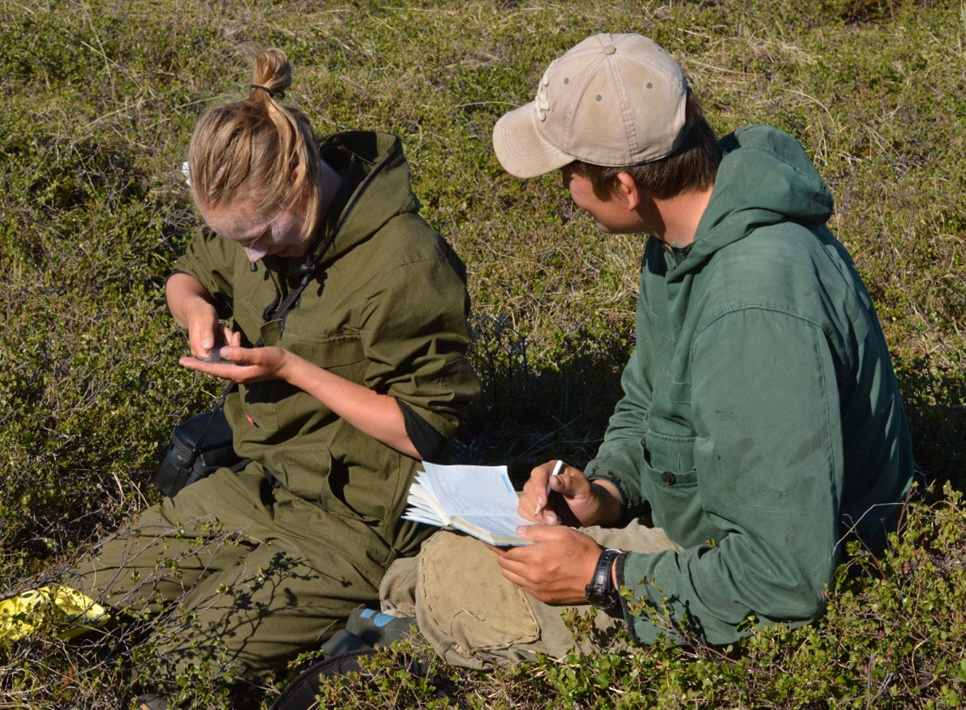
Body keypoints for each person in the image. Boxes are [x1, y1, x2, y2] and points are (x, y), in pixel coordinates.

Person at [379, 32, 914, 668]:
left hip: (771, 581)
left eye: (569, 173)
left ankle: (390, 653)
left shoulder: (755, 315)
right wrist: (603, 490)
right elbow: (650, 401)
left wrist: (604, 576)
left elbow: (787, 578)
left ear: (627, 187)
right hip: (721, 536)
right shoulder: (686, 231)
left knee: (449, 583)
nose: (566, 190)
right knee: (447, 562)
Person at [1, 47, 479, 686]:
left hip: (357, 523)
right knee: (59, 608)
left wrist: (290, 367)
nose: (250, 254)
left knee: (178, 665)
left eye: (260, 235)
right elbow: (189, 273)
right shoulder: (253, 221)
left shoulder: (404, 265)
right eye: (236, 239)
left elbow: (423, 427)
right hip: (258, 479)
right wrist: (195, 310)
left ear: (299, 177)